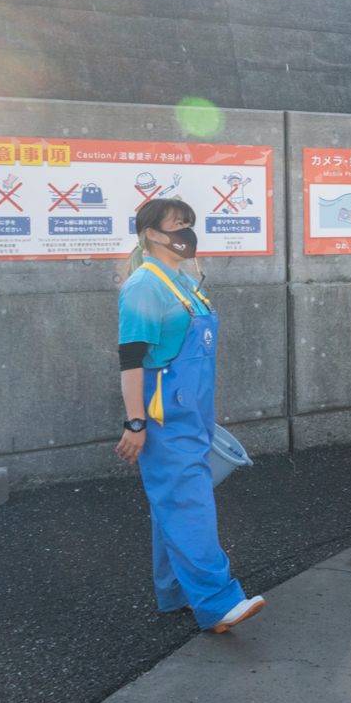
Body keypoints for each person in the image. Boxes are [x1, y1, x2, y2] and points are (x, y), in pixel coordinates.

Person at [116, 198, 264, 633]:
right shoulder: (144, 285)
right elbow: (130, 361)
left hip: (193, 412)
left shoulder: (183, 280)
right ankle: (218, 603)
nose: (186, 233)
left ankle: (175, 592)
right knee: (189, 502)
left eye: (188, 225)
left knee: (174, 501)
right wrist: (135, 423)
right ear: (151, 234)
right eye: (178, 225)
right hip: (163, 418)